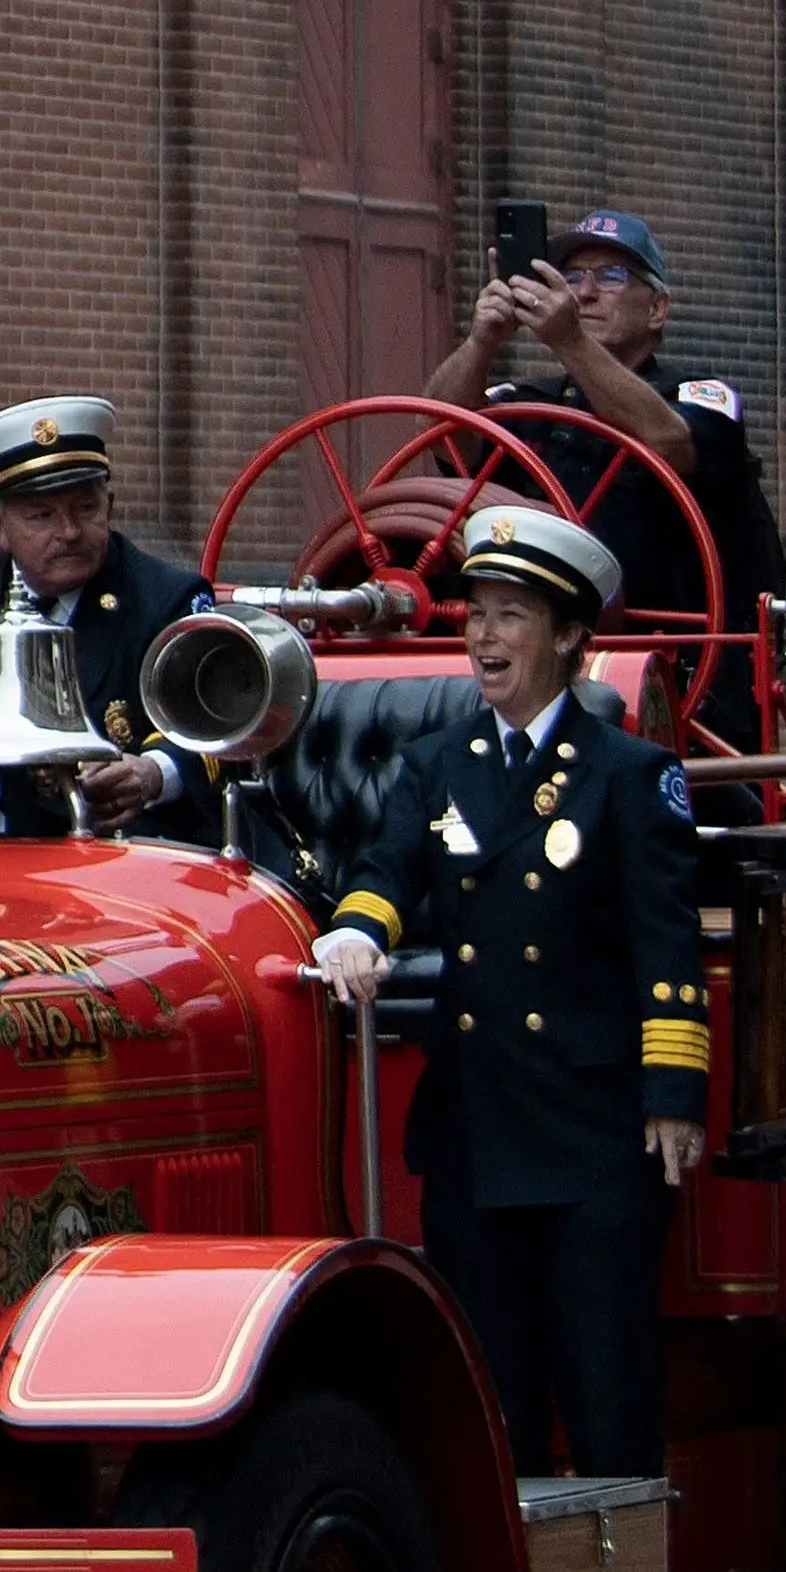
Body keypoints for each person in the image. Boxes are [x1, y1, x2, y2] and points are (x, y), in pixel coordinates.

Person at [312, 509, 705, 1477]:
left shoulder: (630, 775)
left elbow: (667, 947)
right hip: (476, 1128)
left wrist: (671, 1098)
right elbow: (387, 867)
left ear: (570, 637)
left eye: (511, 617)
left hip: (591, 1135)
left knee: (606, 1390)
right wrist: (358, 929)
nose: (483, 639)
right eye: (476, 616)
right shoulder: (439, 765)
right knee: (492, 1399)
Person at [424, 205, 786, 759]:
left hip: (684, 696)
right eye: (572, 277)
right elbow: (443, 435)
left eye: (610, 277)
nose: (583, 294)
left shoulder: (702, 397)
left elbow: (670, 443)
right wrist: (483, 340)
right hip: (534, 683)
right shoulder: (527, 402)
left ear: (658, 308)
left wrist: (571, 340)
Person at [0, 397, 214, 842]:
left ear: (111, 506)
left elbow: (215, 735)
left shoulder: (167, 600)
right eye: (41, 515)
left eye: (86, 508)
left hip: (107, 869)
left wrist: (153, 773)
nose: (68, 531)